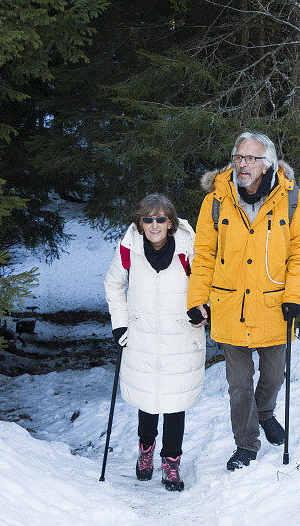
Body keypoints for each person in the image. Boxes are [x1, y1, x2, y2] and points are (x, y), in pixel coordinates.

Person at [186, 131, 300, 471]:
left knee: (274, 375)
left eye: (250, 158)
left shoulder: (291, 200)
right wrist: (197, 299)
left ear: (267, 163)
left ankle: (265, 412)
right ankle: (245, 444)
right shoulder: (216, 200)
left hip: (274, 306)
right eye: (238, 157)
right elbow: (203, 255)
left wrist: (294, 296)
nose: (242, 164)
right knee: (238, 385)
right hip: (230, 306)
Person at [104, 193, 206, 492]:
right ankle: (146, 452)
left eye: (160, 219)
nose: (154, 225)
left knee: (176, 404)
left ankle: (171, 463)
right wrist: (120, 323)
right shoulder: (129, 247)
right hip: (143, 335)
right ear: (140, 222)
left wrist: (203, 308)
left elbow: (207, 282)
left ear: (171, 222)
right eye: (147, 219)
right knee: (148, 401)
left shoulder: (190, 247)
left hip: (181, 336)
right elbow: (113, 284)